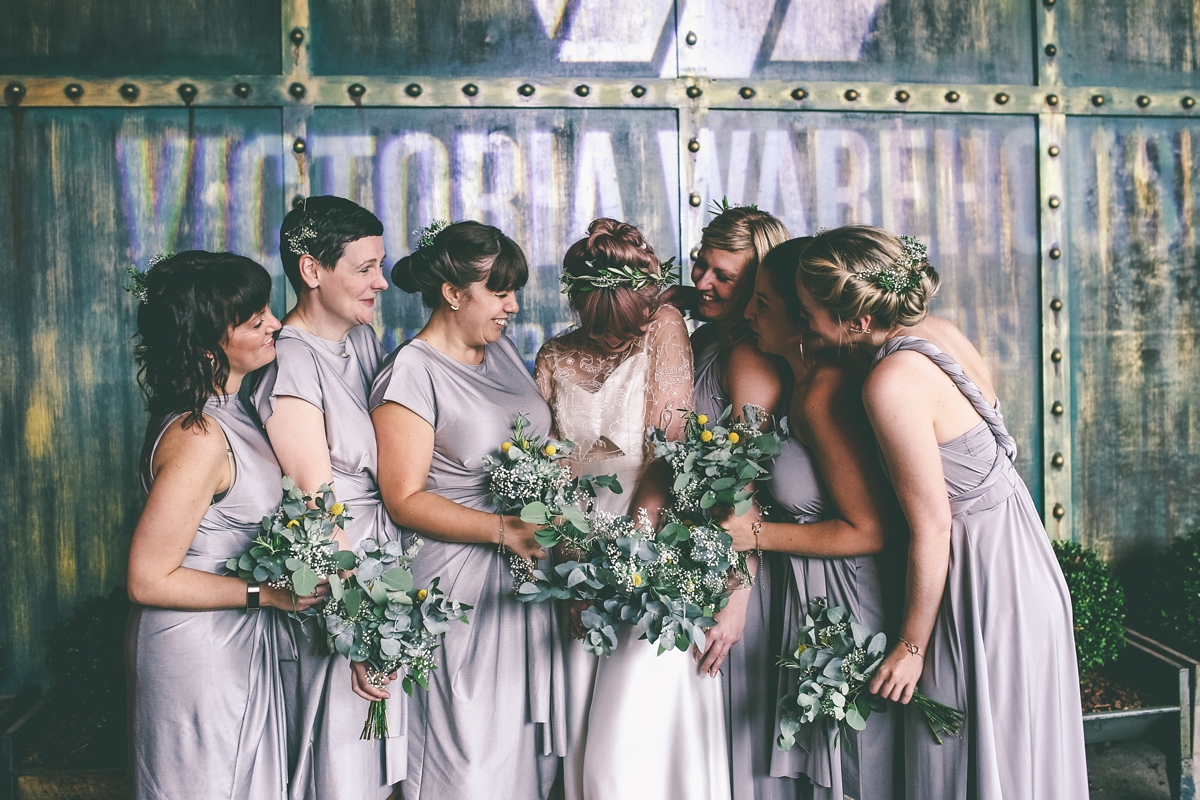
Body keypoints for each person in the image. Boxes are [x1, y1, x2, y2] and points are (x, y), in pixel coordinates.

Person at [794, 224, 1088, 799]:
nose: (803, 321)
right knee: (1017, 752)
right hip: (1021, 550)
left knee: (967, 752)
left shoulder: (890, 383)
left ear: (855, 323)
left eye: (808, 311)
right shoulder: (940, 331)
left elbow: (933, 528)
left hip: (982, 575)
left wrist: (909, 648)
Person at [370, 221, 563, 800]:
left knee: (526, 761)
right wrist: (507, 530)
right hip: (457, 588)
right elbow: (403, 499)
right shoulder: (413, 371)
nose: (513, 304)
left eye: (514, 290)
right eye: (499, 291)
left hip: (525, 582)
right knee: (469, 764)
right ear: (454, 293)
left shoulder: (501, 351)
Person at [125, 251, 324, 800]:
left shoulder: (231, 408)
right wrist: (269, 594)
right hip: (200, 651)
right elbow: (148, 578)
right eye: (257, 321)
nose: (277, 325)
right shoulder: (198, 435)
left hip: (235, 638)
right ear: (212, 340)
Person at [534, 218, 720, 800]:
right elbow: (551, 469)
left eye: (628, 325)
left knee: (630, 740)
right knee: (587, 730)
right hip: (579, 550)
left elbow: (668, 454)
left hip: (654, 543)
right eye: (604, 326)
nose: (619, 339)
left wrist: (629, 561)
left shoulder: (664, 326)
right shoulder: (554, 355)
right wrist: (574, 557)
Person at [718, 236, 902, 800]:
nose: (749, 312)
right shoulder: (796, 381)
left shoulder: (825, 392)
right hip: (809, 593)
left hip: (852, 599)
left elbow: (871, 530)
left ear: (804, 319)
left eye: (764, 303)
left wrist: (753, 535)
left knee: (855, 768)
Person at [249, 196, 403, 800]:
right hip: (337, 579)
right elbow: (316, 503)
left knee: (376, 758)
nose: (381, 282)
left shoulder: (360, 342)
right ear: (312, 271)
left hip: (381, 559)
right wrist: (360, 626)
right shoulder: (287, 360)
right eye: (364, 269)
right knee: (342, 763)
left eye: (380, 265)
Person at [665, 205, 800, 799]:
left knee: (740, 732)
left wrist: (738, 595)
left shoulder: (749, 356)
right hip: (696, 545)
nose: (703, 283)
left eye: (723, 275)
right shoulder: (707, 334)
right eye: (700, 266)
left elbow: (745, 477)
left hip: (737, 563)